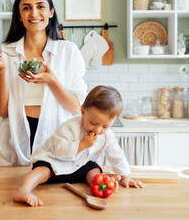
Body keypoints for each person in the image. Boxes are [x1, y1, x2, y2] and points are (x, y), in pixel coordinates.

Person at [0, 0, 87, 166]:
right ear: (19, 16)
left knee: (53, 194)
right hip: (11, 140)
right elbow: (3, 111)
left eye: (40, 6)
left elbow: (75, 108)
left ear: (51, 12)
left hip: (55, 137)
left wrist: (52, 81)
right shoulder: (5, 51)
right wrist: (3, 69)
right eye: (26, 8)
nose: (34, 13)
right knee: (7, 194)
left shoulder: (68, 51)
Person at [13, 85, 145, 207]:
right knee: (42, 171)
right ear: (83, 111)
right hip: (54, 162)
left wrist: (125, 176)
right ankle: (23, 190)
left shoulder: (107, 136)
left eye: (105, 126)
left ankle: (100, 185)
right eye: (93, 123)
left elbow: (117, 155)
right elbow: (59, 150)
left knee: (93, 169)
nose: (98, 130)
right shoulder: (70, 127)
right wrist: (81, 145)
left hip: (77, 166)